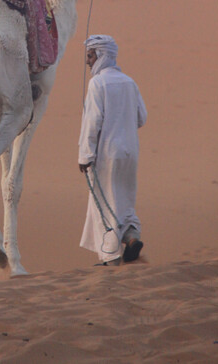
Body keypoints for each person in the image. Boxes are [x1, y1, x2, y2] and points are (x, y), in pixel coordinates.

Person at [78, 35, 147, 265]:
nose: (88, 61)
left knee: (104, 202)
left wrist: (85, 155)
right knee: (124, 199)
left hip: (107, 153)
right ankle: (131, 236)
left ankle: (110, 257)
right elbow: (142, 117)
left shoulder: (97, 83)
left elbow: (92, 123)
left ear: (101, 55)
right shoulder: (129, 81)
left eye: (90, 55)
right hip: (131, 151)